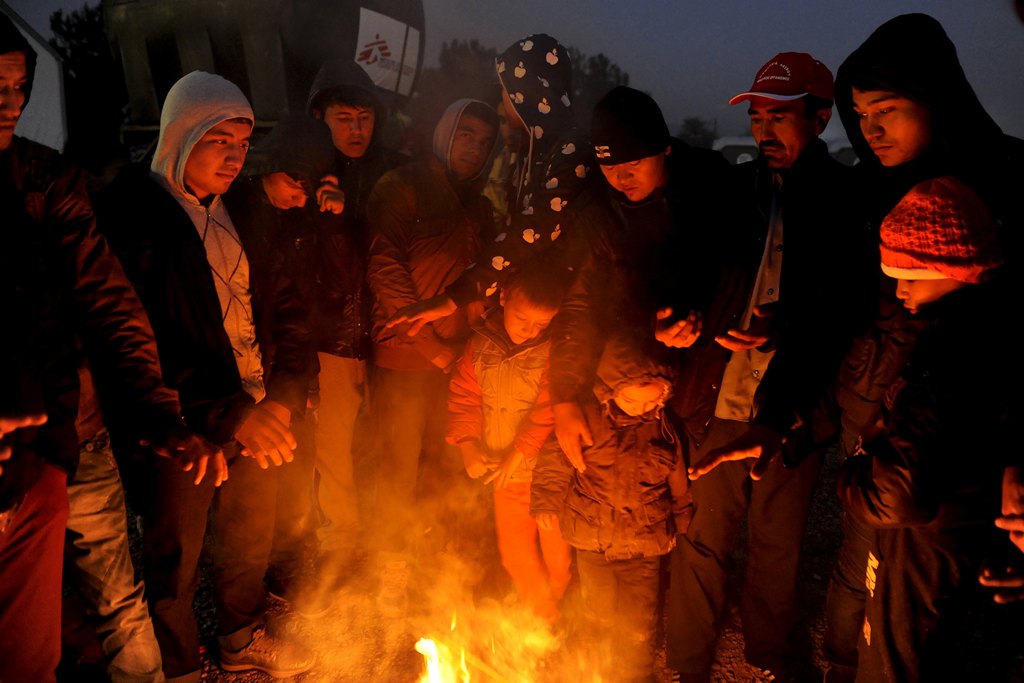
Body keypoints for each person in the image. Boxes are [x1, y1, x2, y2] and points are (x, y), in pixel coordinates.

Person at [0, 18, 221, 682]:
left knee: (117, 600)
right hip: (8, 440)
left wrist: (158, 412)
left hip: (75, 420)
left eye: (17, 85)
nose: (8, 100)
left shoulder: (47, 177)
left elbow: (107, 298)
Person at [820, 14, 1024, 679]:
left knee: (939, 621)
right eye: (859, 113)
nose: (870, 127)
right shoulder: (871, 194)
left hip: (967, 467)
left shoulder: (1004, 185)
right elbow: (837, 310)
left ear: (936, 99)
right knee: (867, 575)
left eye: (887, 109)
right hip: (881, 428)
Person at [94, 71, 315, 681]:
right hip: (180, 418)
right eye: (221, 140)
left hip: (256, 412)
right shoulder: (132, 212)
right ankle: (179, 666)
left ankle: (239, 640)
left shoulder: (242, 211)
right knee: (174, 557)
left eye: (243, 145)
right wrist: (226, 410)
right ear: (182, 135)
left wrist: (283, 399)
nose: (235, 156)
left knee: (249, 540)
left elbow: (286, 305)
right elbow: (142, 335)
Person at [665, 52, 874, 682]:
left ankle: (766, 656)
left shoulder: (842, 202)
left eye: (778, 116)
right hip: (723, 393)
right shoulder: (740, 189)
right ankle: (687, 662)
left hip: (794, 406)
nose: (763, 130)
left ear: (819, 117)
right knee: (703, 535)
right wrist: (680, 314)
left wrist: (780, 325)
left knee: (778, 542)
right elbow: (698, 264)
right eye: (756, 117)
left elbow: (841, 303)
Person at [834, 176, 1013, 683]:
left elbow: (897, 499)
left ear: (952, 267)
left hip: (926, 559)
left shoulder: (947, 357)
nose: (899, 288)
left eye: (909, 273)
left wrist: (852, 470)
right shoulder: (976, 331)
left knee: (899, 664)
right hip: (947, 550)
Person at [547, 85, 732, 472]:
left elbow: (722, 269)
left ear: (665, 149)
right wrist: (563, 396)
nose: (621, 178)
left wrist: (685, 314)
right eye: (609, 167)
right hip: (639, 387)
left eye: (633, 164)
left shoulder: (713, 188)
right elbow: (581, 304)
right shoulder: (600, 214)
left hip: (718, 380)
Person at [366, 98, 501, 615]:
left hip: (459, 361)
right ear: (444, 132)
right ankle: (391, 574)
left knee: (448, 464)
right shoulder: (400, 187)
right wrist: (433, 349)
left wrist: (470, 352)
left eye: (484, 142)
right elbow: (385, 270)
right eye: (465, 134)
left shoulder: (481, 207)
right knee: (397, 467)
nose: (474, 147)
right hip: (406, 359)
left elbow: (486, 281)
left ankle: (442, 567)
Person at [386, 34, 593, 333]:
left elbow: (535, 229)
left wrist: (457, 296)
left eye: (506, 91)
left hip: (550, 320)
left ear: (529, 92)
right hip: (516, 310)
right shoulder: (531, 150)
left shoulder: (570, 149)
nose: (503, 100)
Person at [222, 112, 335, 612]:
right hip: (242, 376)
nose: (301, 195)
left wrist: (295, 387)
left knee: (295, 483)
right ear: (272, 165)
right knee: (249, 496)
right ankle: (241, 597)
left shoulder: (304, 221)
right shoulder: (232, 212)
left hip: (290, 372)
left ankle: (286, 579)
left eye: (311, 187)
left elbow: (306, 307)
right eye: (295, 181)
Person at [531, 332, 692, 683]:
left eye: (653, 402)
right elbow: (556, 459)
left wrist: (682, 513)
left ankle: (636, 674)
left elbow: (678, 475)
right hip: (594, 540)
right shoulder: (586, 417)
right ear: (612, 389)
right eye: (635, 401)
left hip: (644, 541)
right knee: (598, 613)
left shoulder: (664, 428)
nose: (644, 409)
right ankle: (599, 671)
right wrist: (545, 500)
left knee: (640, 620)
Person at [306, 59, 407, 585]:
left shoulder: (395, 171)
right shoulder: (305, 172)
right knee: (334, 449)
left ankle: (393, 540)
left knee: (390, 443)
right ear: (320, 117)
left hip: (388, 332)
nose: (356, 129)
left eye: (364, 118)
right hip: (333, 334)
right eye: (344, 118)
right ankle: (340, 542)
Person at [446, 256, 573, 623]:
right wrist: (468, 444)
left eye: (541, 324)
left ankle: (552, 612)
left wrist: (519, 454)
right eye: (522, 319)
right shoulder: (479, 346)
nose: (530, 330)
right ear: (503, 298)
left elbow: (549, 408)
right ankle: (542, 618)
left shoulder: (553, 351)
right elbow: (464, 396)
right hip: (508, 479)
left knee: (558, 557)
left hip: (549, 477)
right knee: (515, 554)